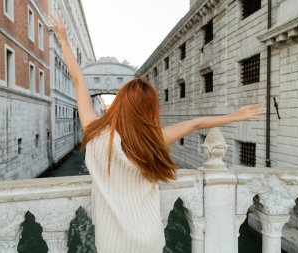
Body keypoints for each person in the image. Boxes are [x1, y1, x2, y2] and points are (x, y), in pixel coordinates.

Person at [49, 16, 265, 253]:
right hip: (149, 238)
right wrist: (237, 116)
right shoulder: (153, 139)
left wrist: (62, 39)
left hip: (111, 243)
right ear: (149, 108)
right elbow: (196, 124)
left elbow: (79, 80)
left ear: (120, 104)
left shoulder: (94, 131)